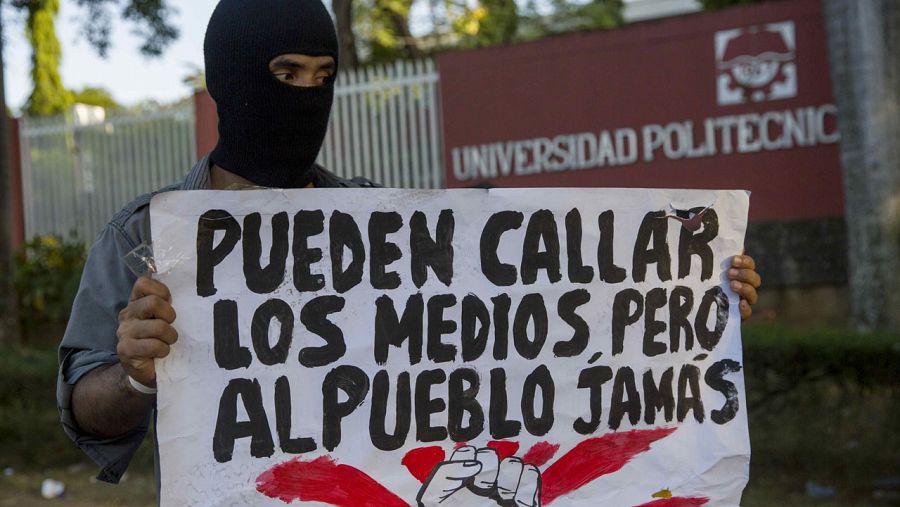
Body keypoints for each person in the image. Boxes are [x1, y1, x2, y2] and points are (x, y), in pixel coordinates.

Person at [56, 0, 762, 489]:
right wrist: (138, 371)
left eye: (323, 77)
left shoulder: (381, 226)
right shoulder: (146, 236)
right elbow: (84, 402)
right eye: (284, 74)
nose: (307, 95)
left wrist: (695, 292)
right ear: (231, 80)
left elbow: (535, 316)